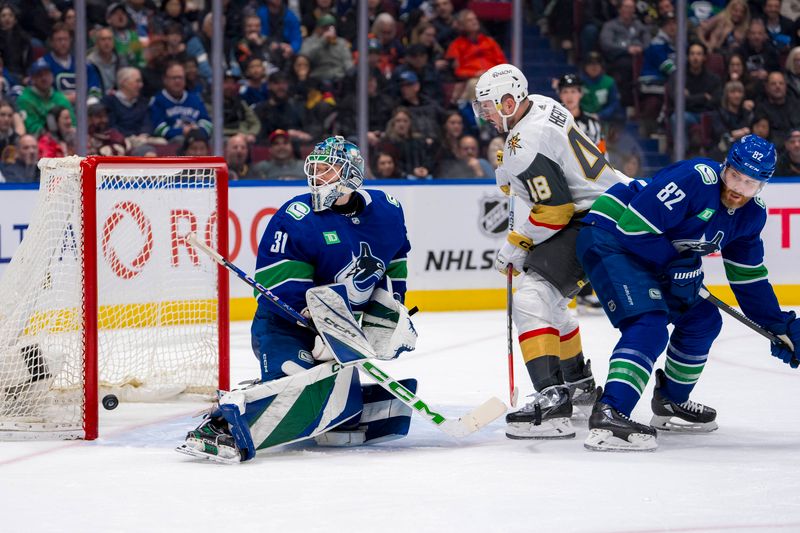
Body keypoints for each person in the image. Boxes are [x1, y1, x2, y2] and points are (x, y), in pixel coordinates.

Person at [178, 136, 417, 463]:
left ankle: (301, 397)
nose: (317, 177)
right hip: (285, 328)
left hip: (341, 333)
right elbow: (281, 289)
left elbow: (395, 262)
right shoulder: (296, 216)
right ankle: (223, 424)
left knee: (336, 412)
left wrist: (391, 313)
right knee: (303, 387)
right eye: (315, 169)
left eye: (327, 170)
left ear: (352, 175)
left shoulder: (387, 211)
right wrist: (320, 326)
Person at [575, 135, 800, 452]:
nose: (738, 188)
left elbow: (749, 281)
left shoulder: (751, 216)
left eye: (750, 183)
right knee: (649, 325)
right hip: (611, 236)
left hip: (654, 255)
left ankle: (670, 401)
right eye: (735, 175)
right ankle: (611, 412)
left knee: (703, 319)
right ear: (726, 166)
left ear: (762, 186)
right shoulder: (695, 178)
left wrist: (781, 325)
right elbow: (634, 228)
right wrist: (677, 264)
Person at [473, 64, 629, 439]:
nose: (485, 115)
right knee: (552, 299)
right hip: (613, 206)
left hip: (594, 219)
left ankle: (552, 400)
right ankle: (577, 383)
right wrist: (513, 174)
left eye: (489, 107)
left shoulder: (523, 145)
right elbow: (554, 171)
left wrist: (517, 242)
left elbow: (555, 211)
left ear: (510, 101)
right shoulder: (541, 103)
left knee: (530, 295)